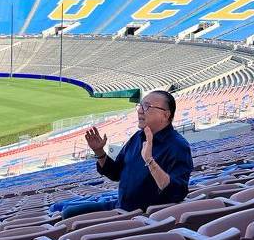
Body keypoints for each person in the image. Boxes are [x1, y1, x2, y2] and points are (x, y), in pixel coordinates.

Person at [65, 90, 193, 218]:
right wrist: (99, 152)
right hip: (119, 206)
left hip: (138, 217)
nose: (140, 111)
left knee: (70, 219)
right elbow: (116, 173)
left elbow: (177, 193)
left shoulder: (178, 146)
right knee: (68, 212)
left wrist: (149, 161)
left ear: (165, 115)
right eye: (140, 106)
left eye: (147, 106)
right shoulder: (137, 137)